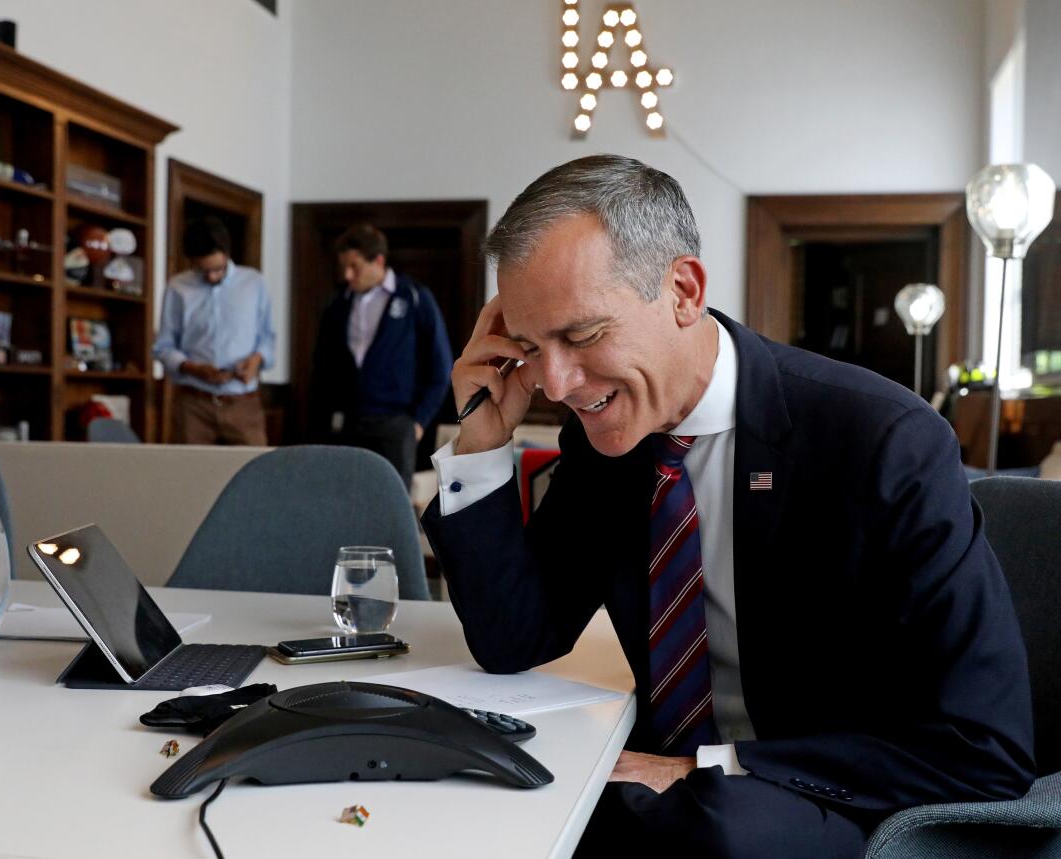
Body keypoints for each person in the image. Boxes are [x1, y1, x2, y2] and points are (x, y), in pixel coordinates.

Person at [420, 155, 1034, 857]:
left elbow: (986, 745)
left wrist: (714, 767)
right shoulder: (605, 442)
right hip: (660, 784)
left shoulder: (881, 442)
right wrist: (480, 438)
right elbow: (513, 639)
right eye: (531, 347)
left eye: (583, 335)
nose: (556, 382)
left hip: (828, 798)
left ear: (683, 290)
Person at [309, 224, 453, 489]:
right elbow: (322, 368)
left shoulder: (414, 297)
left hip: (396, 425)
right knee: (344, 499)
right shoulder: (336, 304)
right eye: (344, 267)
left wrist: (418, 423)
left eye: (355, 266)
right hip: (347, 425)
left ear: (378, 261)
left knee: (392, 504)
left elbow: (441, 367)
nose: (348, 274)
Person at [154, 216, 275, 445]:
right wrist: (194, 368)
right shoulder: (177, 288)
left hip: (243, 403)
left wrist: (256, 360)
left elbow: (267, 338)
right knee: (190, 476)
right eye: (203, 270)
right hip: (194, 405)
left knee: (254, 473)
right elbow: (163, 346)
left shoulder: (254, 283)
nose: (211, 276)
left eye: (217, 269)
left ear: (227, 254)